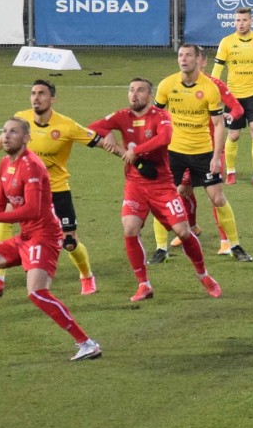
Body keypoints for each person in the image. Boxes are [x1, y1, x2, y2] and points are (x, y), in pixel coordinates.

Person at [0, 118, 101, 361]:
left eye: (13, 132)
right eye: (4, 131)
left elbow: (34, 210)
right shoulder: (5, 163)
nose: (6, 136)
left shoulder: (33, 166)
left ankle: (87, 344)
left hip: (45, 236)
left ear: (27, 138)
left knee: (37, 293)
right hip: (26, 236)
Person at [0, 80, 105, 297]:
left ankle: (87, 277)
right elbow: (5, 137)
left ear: (52, 99)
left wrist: (123, 152)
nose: (36, 97)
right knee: (5, 220)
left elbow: (97, 141)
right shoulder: (21, 118)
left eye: (41, 93)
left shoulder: (65, 124)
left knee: (69, 242)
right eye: (33, 93)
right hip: (24, 188)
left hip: (56, 190)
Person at [88, 78, 221, 301]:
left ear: (150, 96)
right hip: (135, 185)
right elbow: (91, 128)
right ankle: (144, 285)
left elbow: (166, 138)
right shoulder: (121, 116)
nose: (134, 95)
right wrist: (106, 134)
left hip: (162, 186)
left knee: (183, 232)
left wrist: (136, 151)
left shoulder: (160, 117)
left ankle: (204, 276)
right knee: (130, 228)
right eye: (131, 90)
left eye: (140, 91)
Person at [155, 43, 253, 262]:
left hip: (204, 150)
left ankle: (230, 243)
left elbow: (231, 113)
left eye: (189, 56)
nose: (185, 59)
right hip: (175, 152)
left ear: (200, 60)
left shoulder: (211, 86)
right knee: (175, 193)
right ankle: (167, 244)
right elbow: (155, 116)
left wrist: (218, 153)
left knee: (216, 197)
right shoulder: (167, 84)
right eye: (181, 55)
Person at [211, 7, 253, 188]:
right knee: (233, 135)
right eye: (238, 20)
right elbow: (217, 70)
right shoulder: (226, 42)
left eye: (244, 20)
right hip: (232, 97)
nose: (241, 24)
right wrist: (213, 92)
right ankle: (231, 171)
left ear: (251, 21)